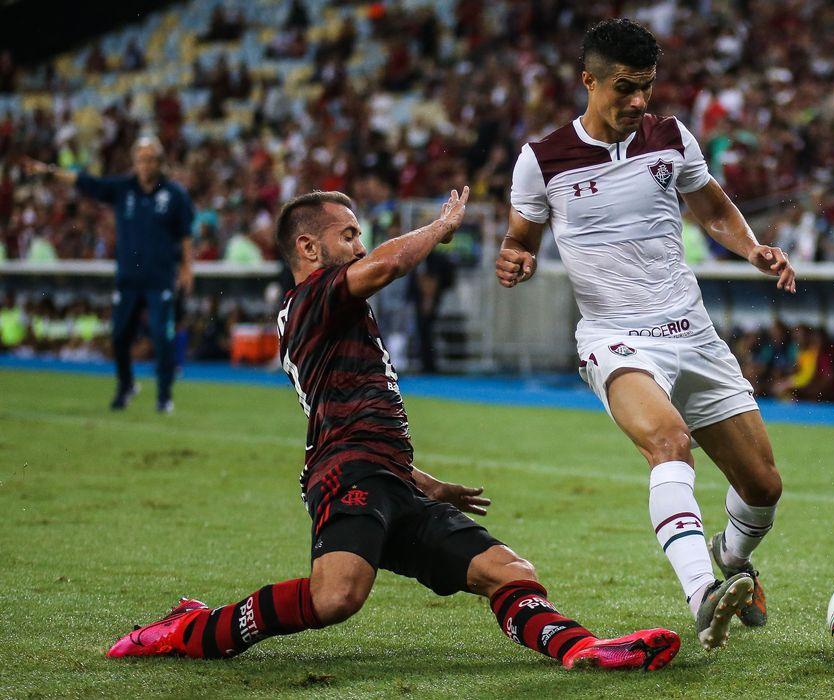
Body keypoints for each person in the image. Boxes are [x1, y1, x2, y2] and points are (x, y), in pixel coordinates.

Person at [105, 188, 681, 672]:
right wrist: (441, 226)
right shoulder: (312, 296)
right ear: (308, 246)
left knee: (508, 572)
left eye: (359, 236)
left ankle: (586, 650)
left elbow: (346, 414)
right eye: (349, 235)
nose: (359, 246)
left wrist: (420, 480)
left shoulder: (330, 314)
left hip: (388, 478)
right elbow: (386, 266)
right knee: (336, 597)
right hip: (349, 475)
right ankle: (191, 629)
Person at [496, 19, 794, 651]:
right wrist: (514, 258)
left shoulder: (669, 137)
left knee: (763, 486)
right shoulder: (541, 159)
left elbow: (711, 206)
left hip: (693, 333)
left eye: (647, 88)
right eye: (625, 88)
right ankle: (701, 594)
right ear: (589, 80)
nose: (637, 102)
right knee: (669, 442)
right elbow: (520, 239)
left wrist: (752, 249)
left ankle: (732, 558)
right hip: (615, 336)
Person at [24, 136, 194, 413]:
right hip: (127, 279)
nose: (146, 164)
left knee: (162, 338)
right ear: (134, 162)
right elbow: (86, 182)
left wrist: (188, 268)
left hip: (160, 279)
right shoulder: (123, 188)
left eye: (151, 158)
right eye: (141, 158)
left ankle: (164, 395)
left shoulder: (175, 195)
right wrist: (48, 171)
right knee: (118, 336)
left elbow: (186, 235)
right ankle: (126, 384)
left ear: (160, 162)